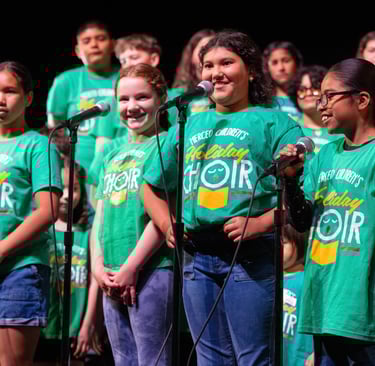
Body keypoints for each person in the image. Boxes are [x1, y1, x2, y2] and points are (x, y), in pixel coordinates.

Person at [143, 30, 304, 366]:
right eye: (208, 65)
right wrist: (165, 223)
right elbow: (152, 186)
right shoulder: (189, 124)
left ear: (252, 70)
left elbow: (304, 193)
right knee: (209, 358)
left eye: (226, 62)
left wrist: (261, 221)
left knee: (253, 358)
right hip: (196, 258)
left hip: (250, 256)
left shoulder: (274, 122)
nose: (215, 72)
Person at [282, 58, 375, 365]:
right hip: (325, 301)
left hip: (363, 305)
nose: (320, 104)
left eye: (329, 96)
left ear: (361, 99)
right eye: (318, 96)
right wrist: (292, 181)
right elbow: (302, 221)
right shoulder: (325, 154)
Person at [92, 63, 173, 366]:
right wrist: (98, 266)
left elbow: (165, 214)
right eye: (124, 99)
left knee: (153, 360)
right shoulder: (112, 153)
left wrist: (132, 265)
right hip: (110, 274)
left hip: (151, 269)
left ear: (161, 98)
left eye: (142, 97)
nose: (132, 106)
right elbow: (99, 218)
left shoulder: (166, 143)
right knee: (123, 361)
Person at [0, 61, 62, 365]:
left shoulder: (38, 145)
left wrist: (1, 250)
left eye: (9, 91)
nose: (1, 98)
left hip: (19, 268)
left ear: (28, 98)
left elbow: (48, 211)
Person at [34, 159, 102, 366]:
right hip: (42, 327)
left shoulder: (87, 234)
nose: (65, 195)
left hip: (74, 329)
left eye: (72, 189)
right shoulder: (39, 233)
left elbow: (93, 282)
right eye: (60, 188)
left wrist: (87, 325)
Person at [47, 20, 120, 176]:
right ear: (78, 50)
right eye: (87, 41)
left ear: (113, 45)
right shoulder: (65, 81)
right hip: (78, 172)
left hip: (120, 166)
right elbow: (54, 128)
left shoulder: (126, 78)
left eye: (101, 39)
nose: (94, 45)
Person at [289, 65, 342, 152]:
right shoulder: (290, 129)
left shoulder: (341, 129)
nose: (309, 93)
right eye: (302, 90)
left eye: (315, 88)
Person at [282, 224, 314, 366]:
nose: (276, 248)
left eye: (283, 242)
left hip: (301, 358)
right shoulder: (268, 279)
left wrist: (315, 353)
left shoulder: (307, 280)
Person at [171, 29, 216, 116]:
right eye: (203, 50)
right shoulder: (177, 95)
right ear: (191, 54)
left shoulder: (224, 93)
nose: (209, 55)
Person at [263, 41, 303, 121]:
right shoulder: (263, 102)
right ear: (267, 67)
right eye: (274, 63)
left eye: (286, 61)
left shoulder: (308, 98)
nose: (281, 68)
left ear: (297, 63)